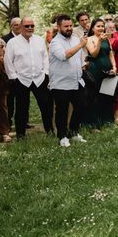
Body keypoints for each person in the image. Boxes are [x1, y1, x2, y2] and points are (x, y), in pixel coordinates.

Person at [4, 17, 54, 138]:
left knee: (46, 106)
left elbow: (45, 57)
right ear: (21, 27)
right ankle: (20, 135)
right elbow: (8, 61)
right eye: (27, 26)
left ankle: (50, 131)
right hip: (21, 79)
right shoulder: (12, 42)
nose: (30, 28)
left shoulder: (39, 40)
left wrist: (45, 72)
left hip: (39, 78)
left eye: (32, 26)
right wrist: (14, 77)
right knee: (21, 108)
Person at [49, 14, 88, 147]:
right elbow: (64, 55)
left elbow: (80, 57)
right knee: (62, 110)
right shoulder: (55, 42)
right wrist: (81, 45)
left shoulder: (76, 39)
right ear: (59, 27)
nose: (69, 28)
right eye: (66, 26)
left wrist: (83, 65)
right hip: (61, 83)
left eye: (71, 26)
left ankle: (73, 132)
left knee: (82, 105)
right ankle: (62, 137)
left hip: (77, 81)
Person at [85, 18, 117, 126]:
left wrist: (114, 66)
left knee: (107, 94)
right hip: (95, 70)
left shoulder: (107, 39)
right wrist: (99, 41)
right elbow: (93, 54)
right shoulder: (89, 39)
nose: (101, 28)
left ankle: (107, 120)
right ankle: (94, 123)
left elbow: (111, 53)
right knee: (95, 96)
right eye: (98, 26)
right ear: (93, 28)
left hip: (107, 70)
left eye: (102, 26)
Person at [2, 17, 21, 129]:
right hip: (9, 74)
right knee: (9, 100)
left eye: (20, 24)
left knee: (22, 99)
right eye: (16, 25)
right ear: (11, 26)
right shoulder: (5, 39)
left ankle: (23, 121)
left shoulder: (26, 38)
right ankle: (8, 121)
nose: (18, 26)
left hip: (23, 74)